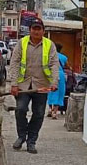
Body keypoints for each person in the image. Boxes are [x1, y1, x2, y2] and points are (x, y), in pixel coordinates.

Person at [8, 20, 58, 153]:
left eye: (39, 29)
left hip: (42, 86)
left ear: (43, 31)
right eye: (34, 29)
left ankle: (31, 141)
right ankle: (21, 136)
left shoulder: (49, 45)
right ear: (29, 30)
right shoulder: (22, 43)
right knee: (20, 109)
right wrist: (14, 84)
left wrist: (54, 82)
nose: (36, 31)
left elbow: (54, 64)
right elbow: (14, 63)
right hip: (23, 85)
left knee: (39, 114)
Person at [46, 44, 68, 119]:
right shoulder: (63, 57)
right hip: (60, 75)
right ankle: (54, 112)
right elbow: (67, 66)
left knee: (50, 92)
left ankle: (50, 109)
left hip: (50, 74)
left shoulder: (49, 56)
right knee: (59, 93)